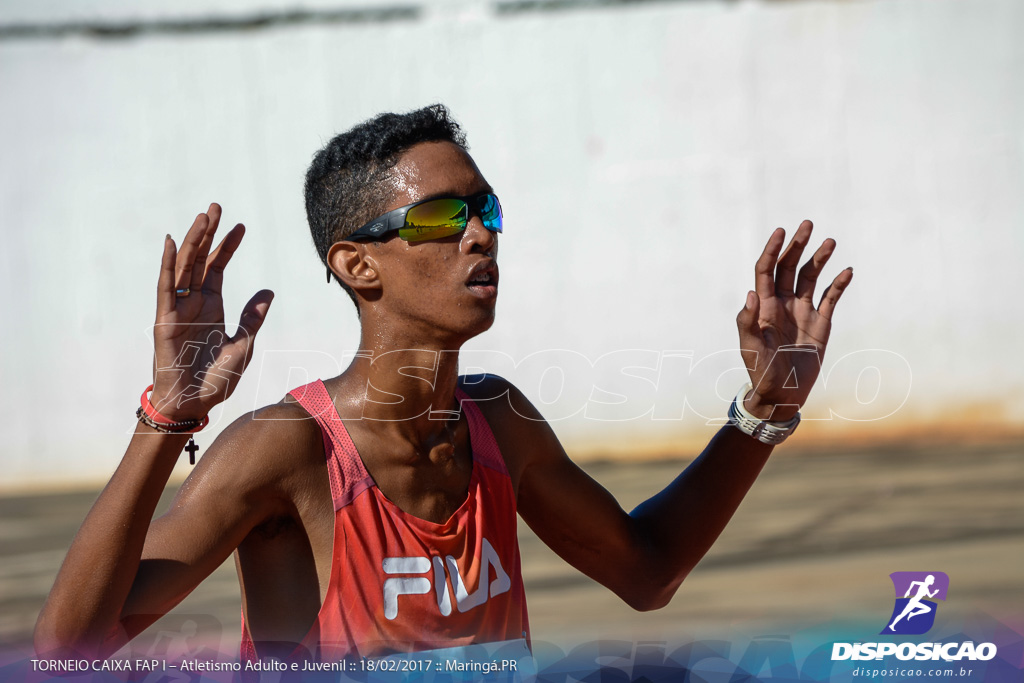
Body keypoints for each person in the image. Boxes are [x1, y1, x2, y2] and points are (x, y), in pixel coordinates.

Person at [34, 104, 853, 662]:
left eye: (483, 209)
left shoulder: (500, 421)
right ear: (357, 264)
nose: (476, 236)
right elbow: (67, 649)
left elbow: (646, 572)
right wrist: (167, 416)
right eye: (437, 217)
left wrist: (764, 410)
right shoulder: (287, 450)